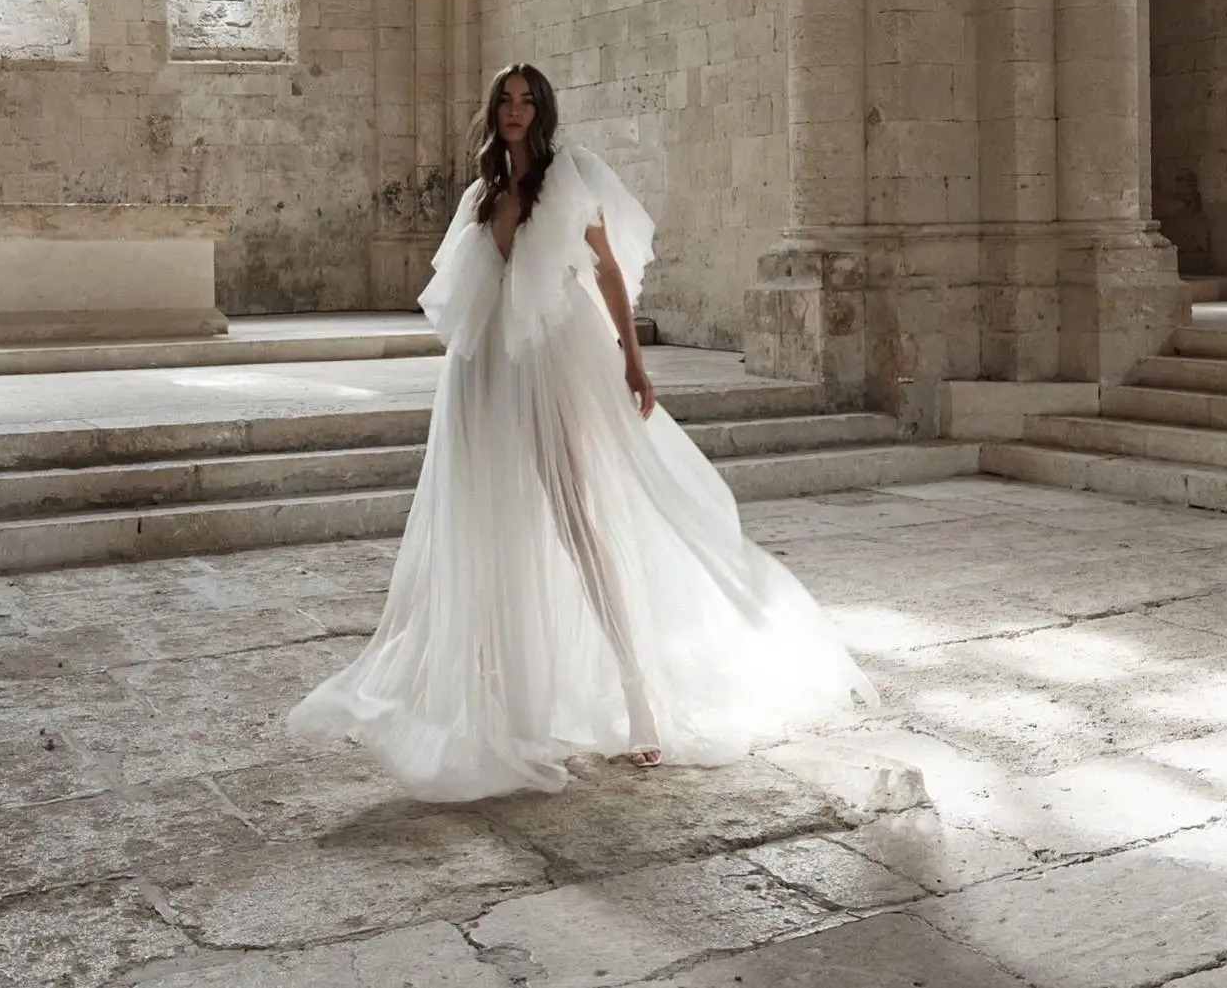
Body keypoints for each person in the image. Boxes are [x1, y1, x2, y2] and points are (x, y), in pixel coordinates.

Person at [288, 63, 877, 801]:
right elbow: (470, 291)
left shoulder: (569, 175)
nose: (515, 110)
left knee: (578, 521)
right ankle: (496, 705)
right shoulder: (481, 193)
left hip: (552, 363)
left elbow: (606, 272)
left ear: (543, 110)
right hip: (482, 373)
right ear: (493, 111)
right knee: (482, 525)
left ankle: (639, 697)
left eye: (526, 100)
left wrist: (632, 358)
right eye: (505, 101)